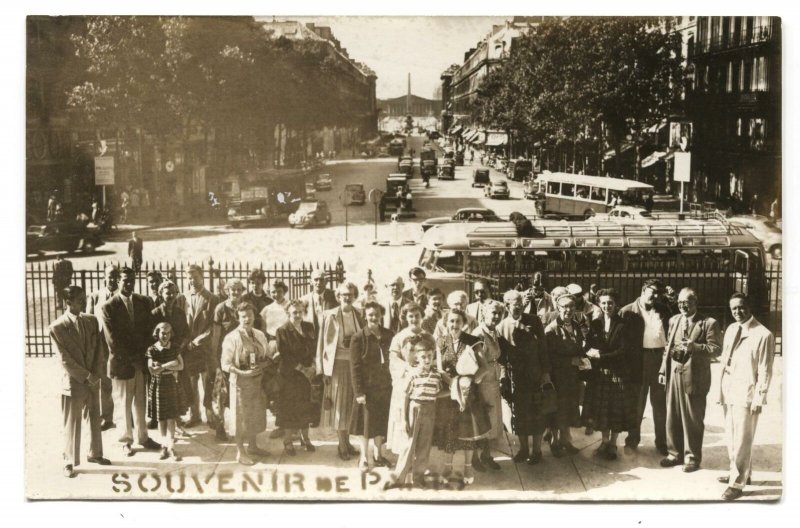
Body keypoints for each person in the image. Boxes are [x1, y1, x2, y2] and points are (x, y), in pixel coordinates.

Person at [716, 293, 775, 501]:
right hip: (730, 390)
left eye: (741, 307)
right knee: (731, 436)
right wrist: (720, 391)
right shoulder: (732, 329)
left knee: (742, 439)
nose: (737, 312)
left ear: (749, 307)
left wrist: (759, 398)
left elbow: (765, 370)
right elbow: (725, 361)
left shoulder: (763, 334)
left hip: (747, 393)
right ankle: (740, 472)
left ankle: (737, 483)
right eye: (734, 309)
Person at [657, 288, 722, 473]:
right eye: (679, 303)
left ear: (695, 302)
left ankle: (692, 457)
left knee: (692, 418)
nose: (683, 306)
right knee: (672, 415)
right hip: (674, 374)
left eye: (687, 302)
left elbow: (716, 349)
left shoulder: (709, 323)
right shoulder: (674, 320)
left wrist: (694, 347)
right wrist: (663, 370)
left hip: (695, 376)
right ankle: (674, 453)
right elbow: (668, 347)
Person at [50, 286, 110, 478]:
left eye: (84, 298)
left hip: (93, 379)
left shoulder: (92, 321)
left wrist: (97, 374)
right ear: (68, 302)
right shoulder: (57, 327)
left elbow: (100, 348)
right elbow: (64, 359)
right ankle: (68, 461)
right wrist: (86, 376)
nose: (84, 303)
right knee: (72, 423)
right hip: (74, 382)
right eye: (79, 300)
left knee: (94, 418)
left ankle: (95, 454)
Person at [100, 267, 161, 457]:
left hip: (140, 363)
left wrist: (143, 357)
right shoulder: (108, 306)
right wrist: (133, 358)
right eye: (125, 280)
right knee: (124, 404)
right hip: (122, 364)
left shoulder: (143, 302)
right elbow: (113, 341)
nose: (129, 283)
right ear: (118, 281)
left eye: (132, 280)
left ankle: (143, 437)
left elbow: (148, 332)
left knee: (140, 402)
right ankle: (125, 440)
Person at [434, 309, 491, 486]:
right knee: (449, 432)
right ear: (446, 323)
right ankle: (448, 468)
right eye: (451, 321)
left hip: (468, 394)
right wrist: (452, 383)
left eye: (458, 321)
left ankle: (467, 468)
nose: (454, 325)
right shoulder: (441, 341)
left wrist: (469, 381)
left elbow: (485, 368)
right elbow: (440, 369)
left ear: (464, 323)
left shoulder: (473, 341)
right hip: (449, 392)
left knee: (467, 433)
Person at [497, 289, 550, 465]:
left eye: (520, 303)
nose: (518, 306)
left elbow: (543, 349)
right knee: (519, 416)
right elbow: (501, 358)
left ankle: (536, 451)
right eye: (514, 303)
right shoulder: (501, 327)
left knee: (537, 413)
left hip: (535, 377)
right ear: (506, 306)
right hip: (516, 380)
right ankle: (523, 450)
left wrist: (545, 374)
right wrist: (504, 379)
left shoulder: (534, 321)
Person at [220, 302, 277, 465]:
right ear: (238, 317)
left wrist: (264, 364)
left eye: (250, 316)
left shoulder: (259, 334)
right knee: (240, 418)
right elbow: (225, 364)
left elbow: (266, 356)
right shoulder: (231, 337)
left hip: (257, 382)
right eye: (243, 316)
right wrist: (242, 372)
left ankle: (252, 446)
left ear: (254, 316)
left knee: (255, 416)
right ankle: (240, 452)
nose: (247, 319)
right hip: (240, 384)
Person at [582, 288, 635, 461]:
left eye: (610, 303)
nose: (607, 306)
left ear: (616, 304)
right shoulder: (595, 323)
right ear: (599, 304)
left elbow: (624, 351)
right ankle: (604, 442)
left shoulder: (623, 325)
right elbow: (589, 343)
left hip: (617, 373)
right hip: (601, 374)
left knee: (615, 410)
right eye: (603, 303)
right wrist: (589, 350)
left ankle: (613, 444)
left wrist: (601, 356)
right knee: (602, 410)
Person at [619, 279, 671, 454]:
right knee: (637, 403)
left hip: (659, 360)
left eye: (658, 294)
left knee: (660, 404)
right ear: (643, 290)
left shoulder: (664, 310)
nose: (655, 296)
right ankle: (632, 440)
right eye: (653, 292)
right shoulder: (627, 311)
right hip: (637, 362)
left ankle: (661, 441)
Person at [386, 334, 442, 488]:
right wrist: (404, 420)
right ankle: (399, 478)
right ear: (417, 357)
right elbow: (405, 396)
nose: (426, 359)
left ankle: (418, 478)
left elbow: (437, 392)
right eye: (423, 356)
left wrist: (457, 390)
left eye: (429, 356)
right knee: (409, 445)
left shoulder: (436, 375)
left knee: (424, 445)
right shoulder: (412, 374)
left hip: (430, 410)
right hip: (414, 409)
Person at [317, 281, 364, 460]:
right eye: (344, 294)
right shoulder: (330, 315)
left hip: (354, 365)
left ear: (354, 296)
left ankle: (347, 442)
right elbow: (322, 344)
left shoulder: (358, 314)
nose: (347, 297)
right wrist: (322, 370)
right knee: (339, 406)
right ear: (338, 296)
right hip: (336, 366)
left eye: (350, 294)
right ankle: (342, 446)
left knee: (350, 406)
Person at [350, 301, 394, 471]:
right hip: (367, 389)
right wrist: (359, 391)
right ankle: (364, 458)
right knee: (366, 425)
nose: (374, 317)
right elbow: (355, 367)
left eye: (376, 314)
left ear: (381, 315)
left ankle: (378, 455)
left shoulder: (388, 334)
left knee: (380, 423)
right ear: (365, 316)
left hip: (384, 387)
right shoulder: (358, 338)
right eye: (370, 315)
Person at [544, 294, 589, 457]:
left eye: (572, 306)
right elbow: (548, 357)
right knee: (556, 410)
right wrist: (571, 361)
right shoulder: (551, 329)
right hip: (557, 377)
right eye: (565, 307)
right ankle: (554, 442)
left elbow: (578, 348)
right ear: (558, 308)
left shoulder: (576, 326)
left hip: (572, 377)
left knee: (569, 409)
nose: (568, 310)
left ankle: (566, 441)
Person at [176, 264, 219, 429]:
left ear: (202, 276)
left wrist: (198, 341)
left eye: (195, 276)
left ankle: (211, 416)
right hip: (188, 349)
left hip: (204, 348)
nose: (192, 280)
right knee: (191, 382)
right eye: (189, 277)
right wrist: (186, 342)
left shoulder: (212, 299)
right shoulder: (183, 298)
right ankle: (195, 416)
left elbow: (213, 327)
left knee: (207, 381)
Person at [275, 300, 317, 455]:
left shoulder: (309, 327)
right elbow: (285, 356)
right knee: (290, 409)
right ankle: (287, 441)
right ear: (288, 313)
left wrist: (313, 366)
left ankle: (305, 438)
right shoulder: (282, 331)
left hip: (306, 375)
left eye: (300, 312)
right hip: (290, 376)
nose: (298, 315)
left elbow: (314, 348)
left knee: (305, 407)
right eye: (294, 312)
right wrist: (303, 370)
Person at [386, 302, 429, 455]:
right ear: (406, 318)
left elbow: (434, 356)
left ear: (422, 316)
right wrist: (408, 368)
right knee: (403, 416)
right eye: (411, 316)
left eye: (417, 316)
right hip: (405, 379)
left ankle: (418, 453)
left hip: (422, 380)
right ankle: (404, 453)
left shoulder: (427, 336)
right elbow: (393, 358)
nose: (414, 319)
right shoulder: (399, 337)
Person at [470, 300, 505, 470]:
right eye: (493, 313)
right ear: (484, 314)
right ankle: (476, 458)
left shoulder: (494, 332)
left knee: (491, 419)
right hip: (483, 382)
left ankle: (486, 455)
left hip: (493, 380)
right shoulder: (479, 334)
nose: (496, 316)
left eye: (499, 313)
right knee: (483, 418)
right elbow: (474, 362)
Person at [210, 278, 246, 439]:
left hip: (241, 357)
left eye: (239, 289)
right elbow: (216, 337)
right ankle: (220, 427)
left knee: (239, 393)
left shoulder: (245, 307)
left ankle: (239, 428)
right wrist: (215, 361)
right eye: (233, 289)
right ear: (227, 291)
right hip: (224, 356)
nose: (236, 292)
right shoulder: (220, 308)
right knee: (221, 394)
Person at [86, 265, 120, 430]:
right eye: (110, 276)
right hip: (101, 346)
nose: (113, 279)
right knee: (104, 382)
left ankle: (126, 418)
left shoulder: (123, 296)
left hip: (119, 347)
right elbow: (89, 322)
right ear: (104, 277)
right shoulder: (95, 296)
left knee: (121, 383)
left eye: (115, 276)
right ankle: (107, 418)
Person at [146, 322, 184, 461]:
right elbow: (152, 370)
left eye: (168, 333)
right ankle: (164, 445)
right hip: (158, 384)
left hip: (171, 384)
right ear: (157, 333)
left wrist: (163, 366)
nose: (165, 335)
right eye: (162, 333)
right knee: (161, 417)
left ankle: (171, 447)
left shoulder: (174, 347)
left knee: (171, 417)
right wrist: (170, 364)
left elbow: (181, 366)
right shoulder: (152, 349)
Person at [302, 269, 339, 334]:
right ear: (311, 282)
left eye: (321, 280)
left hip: (330, 336)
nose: (318, 282)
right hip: (312, 338)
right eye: (316, 280)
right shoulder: (304, 300)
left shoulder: (335, 297)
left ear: (326, 281)